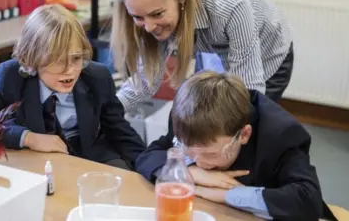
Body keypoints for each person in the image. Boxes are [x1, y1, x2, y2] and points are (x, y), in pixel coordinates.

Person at [0, 4, 146, 170]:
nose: (70, 71)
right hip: (39, 161)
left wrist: (150, 170)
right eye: (58, 61)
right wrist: (27, 138)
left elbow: (120, 131)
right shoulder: (13, 78)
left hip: (92, 157)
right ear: (31, 60)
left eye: (76, 58)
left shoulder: (96, 77)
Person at [135, 71, 337, 221]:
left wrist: (226, 195)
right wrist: (192, 173)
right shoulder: (188, 117)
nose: (201, 162)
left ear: (244, 134)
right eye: (189, 151)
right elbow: (149, 155)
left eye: (211, 154)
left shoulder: (281, 135)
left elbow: (307, 200)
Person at [111, 0, 294, 112]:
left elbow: (249, 86)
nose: (149, 27)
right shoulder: (149, 12)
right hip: (216, 52)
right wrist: (106, 112)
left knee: (242, 133)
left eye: (157, 14)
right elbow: (145, 81)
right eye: (138, 17)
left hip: (266, 56)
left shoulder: (229, 5)